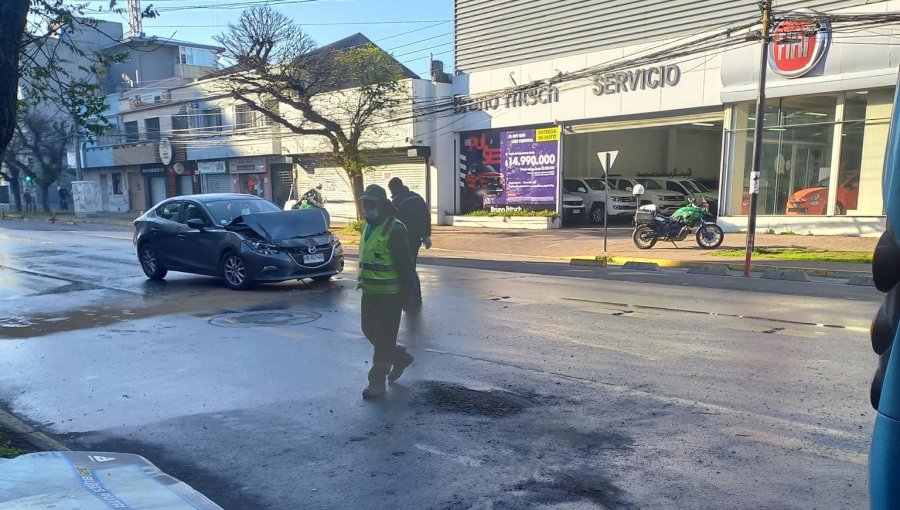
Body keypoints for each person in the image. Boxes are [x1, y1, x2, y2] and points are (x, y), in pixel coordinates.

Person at [357, 184, 417, 399]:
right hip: (370, 292)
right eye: (364, 203)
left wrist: (409, 294)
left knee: (383, 339)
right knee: (369, 330)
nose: (366, 208)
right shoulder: (367, 226)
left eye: (370, 204)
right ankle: (400, 357)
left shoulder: (395, 228)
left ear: (382, 205)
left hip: (391, 295)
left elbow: (406, 265)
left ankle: (376, 382)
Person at [387, 177, 431, 303]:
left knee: (407, 266)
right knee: (412, 264)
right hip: (416, 237)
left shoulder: (397, 200)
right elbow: (426, 216)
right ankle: (415, 294)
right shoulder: (417, 197)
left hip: (404, 237)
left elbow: (392, 220)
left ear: (393, 188)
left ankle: (412, 295)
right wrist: (426, 235)